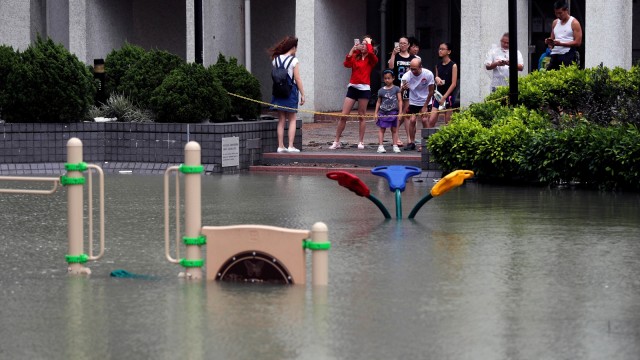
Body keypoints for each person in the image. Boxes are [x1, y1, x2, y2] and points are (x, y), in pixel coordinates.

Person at [330, 35, 378, 150]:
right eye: (362, 43)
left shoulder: (371, 58)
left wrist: (369, 43)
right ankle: (336, 141)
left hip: (364, 89)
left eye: (364, 44)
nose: (363, 45)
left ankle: (361, 141)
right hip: (352, 87)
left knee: (362, 116)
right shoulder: (356, 56)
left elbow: (373, 56)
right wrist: (353, 48)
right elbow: (346, 63)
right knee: (344, 115)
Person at [268, 35, 305, 153]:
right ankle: (290, 146)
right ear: (293, 47)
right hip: (290, 91)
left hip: (278, 91)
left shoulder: (276, 60)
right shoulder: (294, 60)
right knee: (292, 118)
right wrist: (303, 94)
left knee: (281, 119)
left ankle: (280, 146)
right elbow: (297, 79)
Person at [400, 58, 434, 151]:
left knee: (424, 119)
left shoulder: (428, 74)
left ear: (420, 67)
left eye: (415, 69)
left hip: (426, 99)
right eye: (411, 69)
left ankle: (426, 142)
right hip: (413, 100)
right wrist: (403, 88)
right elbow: (400, 92)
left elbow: (431, 91)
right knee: (412, 120)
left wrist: (425, 106)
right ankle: (411, 142)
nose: (413, 71)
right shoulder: (406, 76)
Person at [387, 36, 415, 147]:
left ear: (408, 45)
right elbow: (390, 68)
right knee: (399, 111)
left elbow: (417, 71)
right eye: (400, 43)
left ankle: (408, 138)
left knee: (406, 112)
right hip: (398, 87)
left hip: (408, 87)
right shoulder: (396, 56)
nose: (402, 45)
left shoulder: (413, 58)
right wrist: (393, 54)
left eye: (404, 43)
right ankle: (396, 135)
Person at [545, 0, 583, 70]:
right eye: (556, 13)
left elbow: (578, 42)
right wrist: (549, 42)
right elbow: (552, 38)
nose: (558, 15)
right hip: (555, 54)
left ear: (566, 11)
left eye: (560, 13)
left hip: (568, 54)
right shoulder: (555, 22)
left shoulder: (574, 23)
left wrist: (561, 44)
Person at [427, 42, 458, 128]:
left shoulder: (453, 65)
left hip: (449, 95)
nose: (440, 51)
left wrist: (444, 97)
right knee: (431, 120)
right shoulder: (438, 65)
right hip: (438, 95)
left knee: (448, 122)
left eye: (442, 49)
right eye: (439, 49)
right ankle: (430, 138)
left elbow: (454, 84)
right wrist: (436, 79)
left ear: (449, 51)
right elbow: (436, 79)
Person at [374, 69, 402, 153]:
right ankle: (380, 146)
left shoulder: (397, 89)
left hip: (394, 112)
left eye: (389, 78)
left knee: (394, 129)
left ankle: (395, 145)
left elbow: (400, 100)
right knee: (382, 129)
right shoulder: (381, 90)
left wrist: (400, 112)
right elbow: (378, 102)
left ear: (393, 78)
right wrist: (376, 112)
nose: (387, 80)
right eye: (385, 78)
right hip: (383, 113)